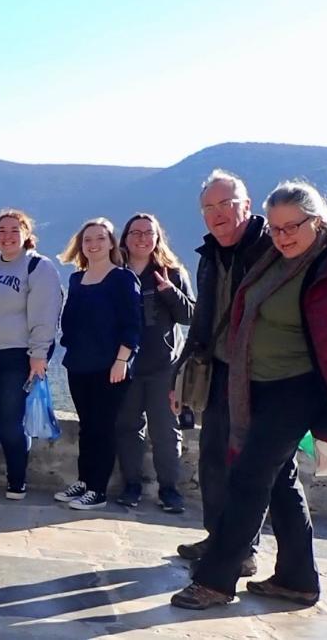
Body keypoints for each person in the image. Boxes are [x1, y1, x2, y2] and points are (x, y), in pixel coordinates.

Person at [172, 179, 327, 610]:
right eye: (277, 228)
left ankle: (216, 581)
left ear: (316, 221)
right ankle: (297, 580)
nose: (282, 236)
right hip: (257, 384)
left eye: (292, 227)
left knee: (247, 477)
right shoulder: (275, 259)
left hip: (299, 387)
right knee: (279, 482)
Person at [172, 170, 273, 575]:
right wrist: (182, 370)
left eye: (227, 204)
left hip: (259, 377)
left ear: (246, 205)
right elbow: (202, 318)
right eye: (209, 208)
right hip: (217, 372)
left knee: (248, 466)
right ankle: (217, 536)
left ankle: (243, 550)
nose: (218, 214)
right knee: (212, 459)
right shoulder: (210, 254)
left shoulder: (271, 250)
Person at [0, 209, 62, 500]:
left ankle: (17, 479)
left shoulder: (38, 268)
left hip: (15, 356)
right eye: (1, 231)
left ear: (27, 234)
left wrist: (39, 355)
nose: (7, 236)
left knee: (10, 420)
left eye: (14, 230)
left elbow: (45, 315)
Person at [53, 218, 141, 510]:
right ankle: (84, 480)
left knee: (103, 427)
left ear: (112, 243)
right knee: (87, 427)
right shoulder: (77, 279)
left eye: (100, 238)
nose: (93, 244)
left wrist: (122, 360)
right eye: (88, 239)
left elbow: (132, 324)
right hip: (78, 364)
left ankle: (98, 490)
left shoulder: (123, 279)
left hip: (110, 366)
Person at [114, 213, 195, 513]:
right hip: (125, 365)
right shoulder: (116, 272)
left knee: (165, 431)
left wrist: (169, 292)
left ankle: (169, 491)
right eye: (135, 232)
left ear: (158, 238)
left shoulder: (172, 273)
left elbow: (190, 316)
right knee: (127, 427)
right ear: (125, 238)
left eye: (149, 233)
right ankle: (131, 486)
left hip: (164, 367)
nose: (142, 238)